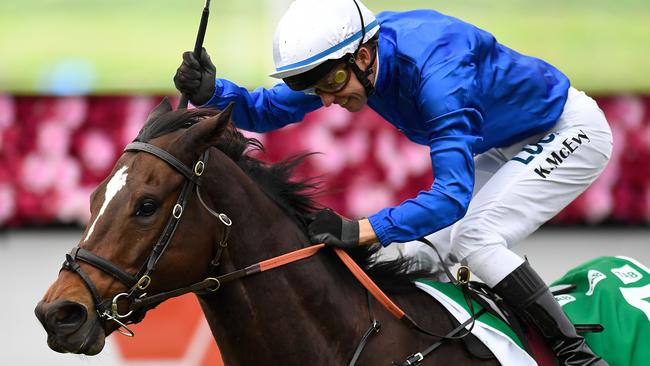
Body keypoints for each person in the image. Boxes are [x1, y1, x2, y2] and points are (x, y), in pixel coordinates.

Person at [174, 0, 612, 364]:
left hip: (568, 131)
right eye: (315, 89)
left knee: (476, 239)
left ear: (363, 56)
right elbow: (266, 110)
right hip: (501, 143)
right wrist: (214, 91)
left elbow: (451, 197)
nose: (327, 100)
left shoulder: (438, 74)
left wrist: (362, 229)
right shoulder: (346, 60)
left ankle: (575, 356)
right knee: (426, 253)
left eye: (332, 84)